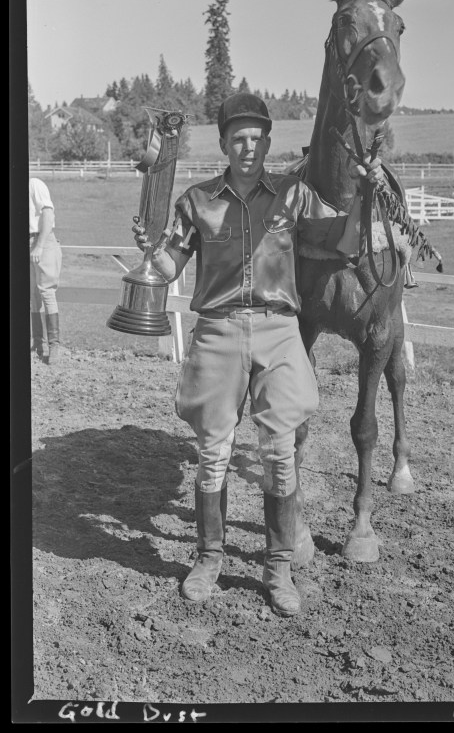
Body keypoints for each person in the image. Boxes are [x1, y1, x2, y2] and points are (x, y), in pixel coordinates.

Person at [133, 93, 383, 616]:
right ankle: (208, 558)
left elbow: (344, 238)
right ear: (224, 144)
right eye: (237, 139)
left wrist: (364, 192)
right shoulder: (197, 201)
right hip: (219, 332)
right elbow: (168, 267)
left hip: (278, 330)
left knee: (279, 452)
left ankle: (278, 569)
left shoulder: (294, 196)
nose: (247, 148)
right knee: (213, 453)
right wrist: (150, 250)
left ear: (267, 143)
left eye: (256, 139)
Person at [29, 177, 63, 364]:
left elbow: (48, 214)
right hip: (25, 241)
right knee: (32, 295)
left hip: (42, 239)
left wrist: (39, 245)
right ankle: (37, 343)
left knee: (47, 292)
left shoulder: (34, 183)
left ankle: (54, 346)